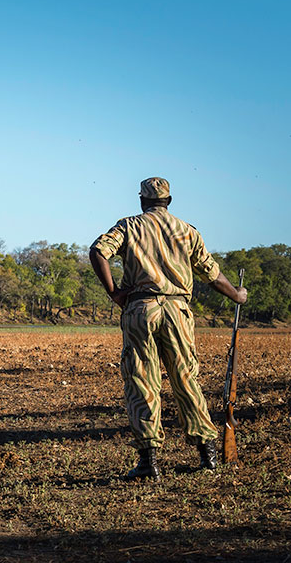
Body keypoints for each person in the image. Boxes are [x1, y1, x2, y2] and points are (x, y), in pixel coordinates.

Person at [90, 177, 247, 481]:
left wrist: (114, 293)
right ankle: (207, 455)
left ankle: (149, 462)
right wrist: (237, 295)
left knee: (141, 380)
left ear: (141, 201)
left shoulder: (128, 226)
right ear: (169, 202)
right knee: (186, 378)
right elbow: (212, 274)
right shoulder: (187, 230)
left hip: (140, 308)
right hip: (177, 310)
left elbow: (98, 251)